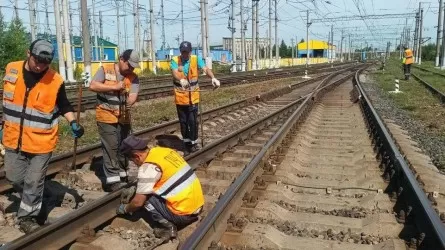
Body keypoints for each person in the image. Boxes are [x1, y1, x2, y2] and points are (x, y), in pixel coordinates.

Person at [1, 39, 84, 233]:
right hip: (13, 137)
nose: (39, 66)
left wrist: (73, 122)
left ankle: (28, 216)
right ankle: (36, 199)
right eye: (37, 60)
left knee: (34, 180)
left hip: (41, 140)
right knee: (14, 178)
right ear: (28, 53)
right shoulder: (11, 69)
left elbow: (64, 104)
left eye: (45, 63)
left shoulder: (55, 80)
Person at [116, 135, 204, 242]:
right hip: (198, 205)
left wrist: (125, 209)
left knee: (145, 197)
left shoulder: (147, 168)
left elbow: (138, 203)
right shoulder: (163, 151)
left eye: (132, 160)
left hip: (183, 214)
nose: (134, 163)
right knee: (147, 189)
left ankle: (167, 227)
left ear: (137, 156)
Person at [89, 49, 140, 192]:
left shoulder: (133, 77)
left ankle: (123, 175)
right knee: (111, 146)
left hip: (123, 117)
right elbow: (92, 85)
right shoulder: (105, 70)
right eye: (129, 65)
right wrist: (114, 87)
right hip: (106, 115)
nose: (131, 68)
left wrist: (129, 100)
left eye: (133, 66)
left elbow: (134, 95)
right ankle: (112, 181)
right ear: (121, 59)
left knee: (124, 146)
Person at [170, 41, 220, 156]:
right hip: (181, 97)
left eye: (187, 52)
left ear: (190, 51)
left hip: (193, 96)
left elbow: (205, 69)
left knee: (193, 121)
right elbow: (174, 73)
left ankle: (193, 143)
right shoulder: (175, 60)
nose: (185, 54)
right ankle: (186, 144)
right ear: (180, 51)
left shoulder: (195, 59)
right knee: (183, 122)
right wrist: (180, 79)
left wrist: (213, 78)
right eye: (183, 52)